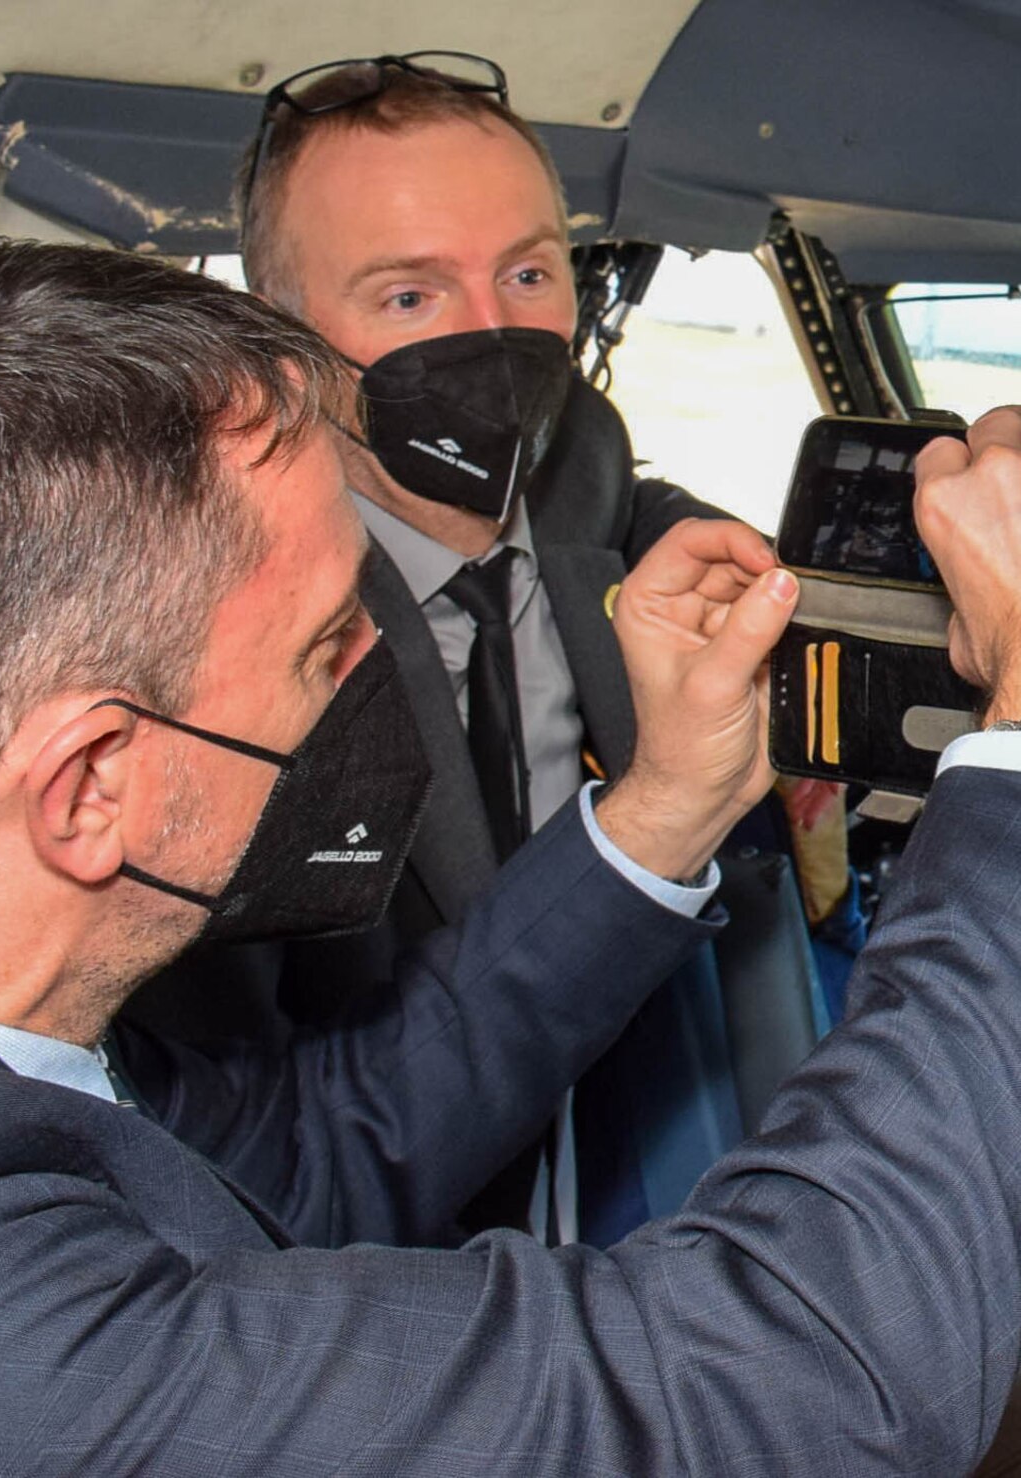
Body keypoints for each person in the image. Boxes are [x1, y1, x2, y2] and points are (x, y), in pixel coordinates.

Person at [0, 230, 1021, 1475]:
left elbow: (324, 1154)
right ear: (91, 783)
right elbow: (804, 1387)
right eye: (324, 644)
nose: (387, 653)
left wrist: (662, 808)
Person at [149, 49, 838, 1243]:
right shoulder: (215, 655)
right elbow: (241, 1142)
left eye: (527, 272)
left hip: (618, 1127)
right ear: (281, 335)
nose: (495, 336)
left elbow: (622, 501)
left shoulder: (583, 466)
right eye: (409, 295)